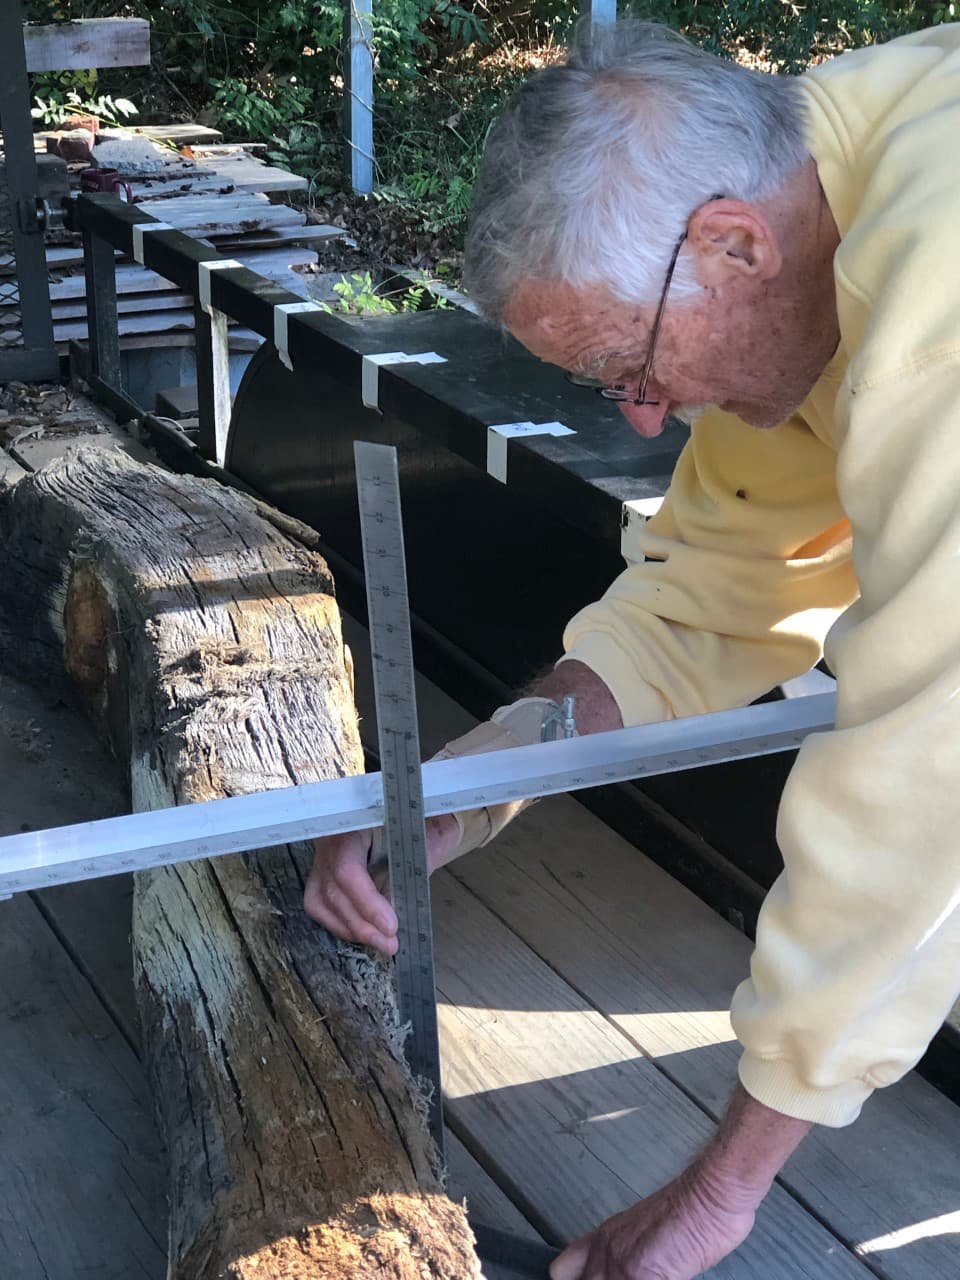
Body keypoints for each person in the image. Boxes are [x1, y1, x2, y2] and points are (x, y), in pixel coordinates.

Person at [306, 18, 960, 1278]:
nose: (649, 413)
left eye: (629, 362)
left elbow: (926, 773)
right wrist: (467, 789)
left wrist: (721, 1189)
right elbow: (712, 591)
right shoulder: (812, 199)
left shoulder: (936, 313)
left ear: (731, 243)